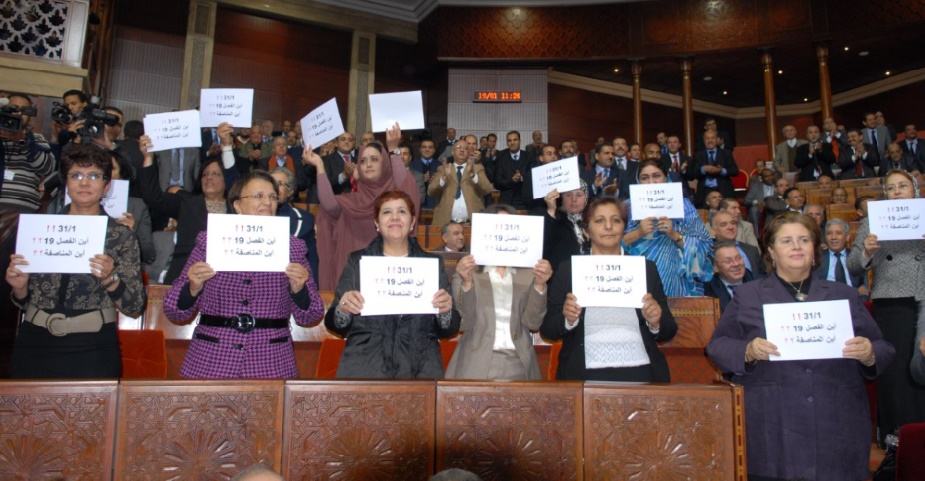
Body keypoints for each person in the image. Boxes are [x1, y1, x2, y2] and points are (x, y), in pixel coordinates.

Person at [707, 212, 893, 481]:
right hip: (774, 422)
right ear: (771, 251)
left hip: (836, 420)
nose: (796, 246)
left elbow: (883, 347)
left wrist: (869, 353)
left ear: (815, 249)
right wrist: (747, 351)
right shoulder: (748, 296)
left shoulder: (844, 295)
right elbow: (718, 346)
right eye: (786, 241)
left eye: (804, 239)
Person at [162, 171, 323, 378]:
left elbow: (311, 315)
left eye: (272, 197)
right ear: (237, 205)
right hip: (212, 359)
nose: (267, 202)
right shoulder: (211, 241)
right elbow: (175, 310)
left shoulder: (293, 248)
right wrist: (192, 288)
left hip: (270, 361)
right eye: (258, 196)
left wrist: (299, 290)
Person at [5, 143, 145, 378]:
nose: (84, 182)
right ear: (66, 183)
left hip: (94, 346)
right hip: (35, 340)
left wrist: (111, 279)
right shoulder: (39, 229)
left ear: (106, 186)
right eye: (76, 175)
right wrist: (20, 289)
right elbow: (24, 301)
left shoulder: (121, 236)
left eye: (94, 176)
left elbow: (135, 307)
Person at [324, 190, 460, 378]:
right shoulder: (357, 261)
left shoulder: (432, 264)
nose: (395, 217)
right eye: (387, 212)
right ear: (376, 223)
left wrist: (445, 311)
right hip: (364, 366)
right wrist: (343, 309)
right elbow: (335, 324)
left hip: (421, 369)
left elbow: (449, 329)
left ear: (412, 222)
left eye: (402, 212)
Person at [541, 196, 676, 381]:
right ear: (586, 231)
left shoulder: (645, 269)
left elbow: (668, 331)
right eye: (599, 221)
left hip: (641, 368)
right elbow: (548, 330)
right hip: (583, 371)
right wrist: (567, 319)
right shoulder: (568, 270)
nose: (608, 227)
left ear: (623, 228)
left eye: (616, 220)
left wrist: (656, 321)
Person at [848, 169, 925, 443]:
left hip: (923, 297)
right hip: (890, 300)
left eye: (902, 186)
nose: (897, 192)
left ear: (914, 190)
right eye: (891, 188)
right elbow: (853, 264)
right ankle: (897, 435)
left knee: (921, 363)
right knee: (896, 371)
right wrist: (867, 251)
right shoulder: (872, 221)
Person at [304, 124, 420, 290]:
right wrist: (319, 165)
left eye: (374, 159)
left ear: (385, 163)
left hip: (389, 279)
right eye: (363, 161)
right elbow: (329, 205)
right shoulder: (351, 200)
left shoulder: (396, 198)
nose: (368, 164)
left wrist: (393, 151)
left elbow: (409, 190)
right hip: (352, 279)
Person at [445, 204, 552, 380]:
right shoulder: (467, 272)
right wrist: (467, 283)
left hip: (519, 363)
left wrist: (539, 285)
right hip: (475, 362)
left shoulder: (529, 274)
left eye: (509, 226)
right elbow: (465, 322)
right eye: (497, 226)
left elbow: (533, 323)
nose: (503, 233)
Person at [138, 122, 239, 284]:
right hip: (184, 276)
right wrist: (148, 157)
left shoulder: (236, 208)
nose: (209, 178)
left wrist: (226, 146)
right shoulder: (187, 202)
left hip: (223, 280)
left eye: (215, 174)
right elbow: (152, 197)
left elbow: (234, 178)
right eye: (205, 174)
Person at [624, 160, 714, 296]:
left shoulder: (685, 207)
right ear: (638, 181)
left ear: (666, 178)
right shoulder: (627, 208)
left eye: (656, 176)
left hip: (677, 278)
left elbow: (705, 246)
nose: (651, 182)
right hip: (636, 278)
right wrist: (638, 233)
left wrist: (674, 235)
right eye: (644, 178)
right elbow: (611, 245)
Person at [269, 167, 319, 284]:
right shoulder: (253, 217)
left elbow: (312, 262)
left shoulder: (304, 220)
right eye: (271, 183)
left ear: (290, 191)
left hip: (292, 282)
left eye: (280, 184)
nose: (274, 188)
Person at [428, 140, 493, 225]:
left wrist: (473, 175)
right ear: (453, 152)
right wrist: (443, 178)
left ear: (468, 152)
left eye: (465, 148)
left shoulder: (477, 168)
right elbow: (431, 191)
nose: (462, 150)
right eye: (459, 148)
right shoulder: (443, 169)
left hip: (471, 224)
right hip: (446, 224)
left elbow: (488, 189)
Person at [542, 181, 589, 273]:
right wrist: (551, 210)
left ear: (586, 198)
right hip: (562, 274)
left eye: (579, 195)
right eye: (568, 195)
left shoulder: (593, 219)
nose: (574, 199)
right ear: (561, 198)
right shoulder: (554, 218)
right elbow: (544, 243)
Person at [704, 239, 755, 311]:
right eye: (728, 261)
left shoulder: (758, 283)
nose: (736, 264)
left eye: (738, 258)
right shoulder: (707, 289)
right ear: (716, 267)